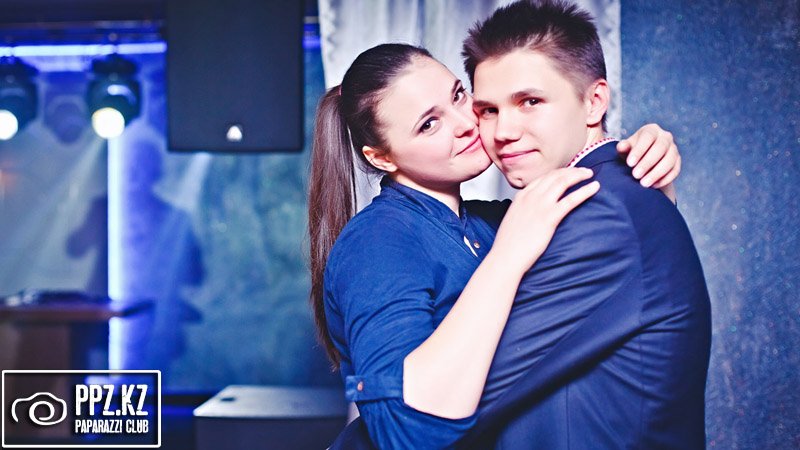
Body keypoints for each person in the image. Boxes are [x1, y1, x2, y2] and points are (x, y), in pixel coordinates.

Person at [309, 43, 681, 449]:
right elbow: (403, 429)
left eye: (458, 96)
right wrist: (507, 258)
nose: (465, 124)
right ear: (381, 158)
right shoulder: (376, 244)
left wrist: (641, 163)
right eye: (429, 124)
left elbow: (619, 252)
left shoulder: (494, 221)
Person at [454, 1, 711, 448]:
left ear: (594, 102)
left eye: (530, 102)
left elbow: (459, 395)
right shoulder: (589, 198)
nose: (503, 131)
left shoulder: (599, 212)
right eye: (488, 110)